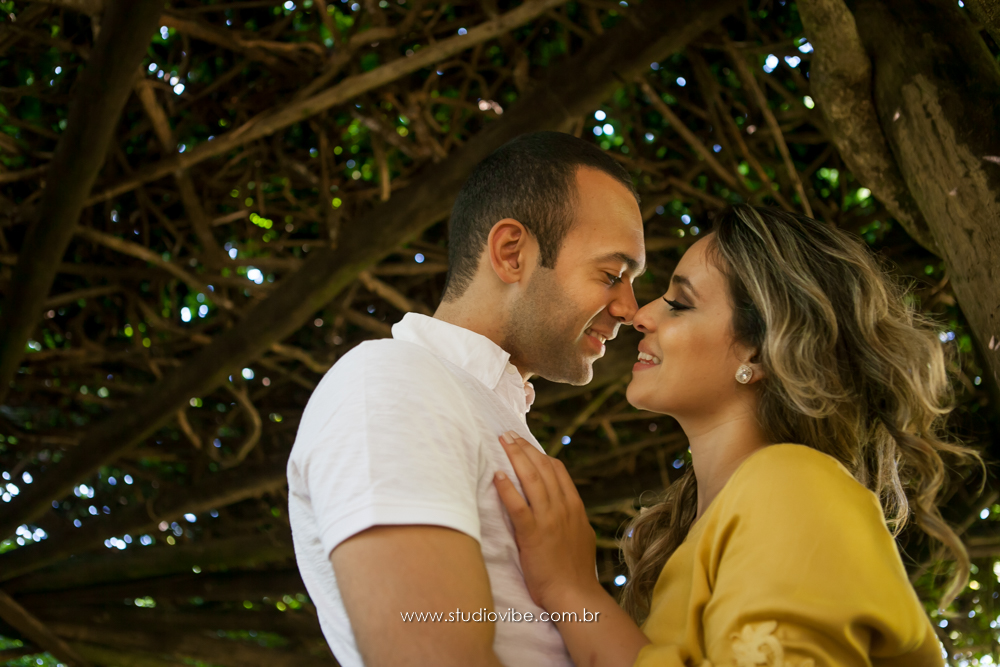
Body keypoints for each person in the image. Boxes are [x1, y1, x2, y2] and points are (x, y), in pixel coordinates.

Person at [493, 204, 981, 667]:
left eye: (680, 304)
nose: (641, 316)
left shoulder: (794, 486)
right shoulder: (705, 527)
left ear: (760, 353)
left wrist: (571, 588)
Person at [286, 130, 646, 666]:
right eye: (612, 275)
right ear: (511, 253)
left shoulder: (476, 407)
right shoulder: (392, 381)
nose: (630, 309)